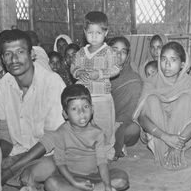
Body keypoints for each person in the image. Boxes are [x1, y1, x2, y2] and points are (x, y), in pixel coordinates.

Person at [0, 29, 65, 189]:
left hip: (51, 153)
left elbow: (51, 139)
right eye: (7, 54)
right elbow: (4, 134)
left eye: (20, 52)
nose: (14, 59)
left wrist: (11, 169)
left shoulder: (51, 82)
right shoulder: (3, 86)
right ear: (2, 58)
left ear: (32, 54)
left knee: (28, 177)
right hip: (20, 153)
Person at [133, 41, 191, 170]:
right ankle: (164, 150)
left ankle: (175, 151)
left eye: (173, 60)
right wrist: (165, 137)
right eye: (163, 59)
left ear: (182, 64)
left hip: (184, 137)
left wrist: (177, 144)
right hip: (159, 135)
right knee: (151, 100)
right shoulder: (151, 82)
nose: (167, 65)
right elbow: (142, 118)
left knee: (186, 99)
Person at [44, 84, 129, 191]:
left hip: (94, 177)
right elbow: (60, 162)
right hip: (70, 177)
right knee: (51, 183)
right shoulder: (61, 133)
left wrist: (107, 185)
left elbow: (102, 162)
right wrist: (75, 182)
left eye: (85, 107)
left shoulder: (97, 133)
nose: (82, 113)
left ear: (92, 109)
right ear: (65, 114)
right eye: (74, 109)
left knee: (122, 179)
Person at [70, 11, 121, 159]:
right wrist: (78, 72)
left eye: (98, 32)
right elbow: (73, 67)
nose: (93, 36)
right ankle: (87, 153)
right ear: (85, 32)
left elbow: (116, 69)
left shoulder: (108, 52)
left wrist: (99, 74)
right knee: (84, 125)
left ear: (106, 32)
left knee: (104, 127)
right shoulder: (80, 53)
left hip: (102, 98)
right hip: (84, 98)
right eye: (90, 32)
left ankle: (106, 153)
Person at [108, 36, 142, 160]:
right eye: (114, 50)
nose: (118, 54)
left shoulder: (133, 79)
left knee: (134, 130)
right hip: (102, 122)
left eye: (123, 51)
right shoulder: (98, 73)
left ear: (127, 56)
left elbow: (134, 112)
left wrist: (117, 124)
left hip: (122, 125)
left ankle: (117, 140)